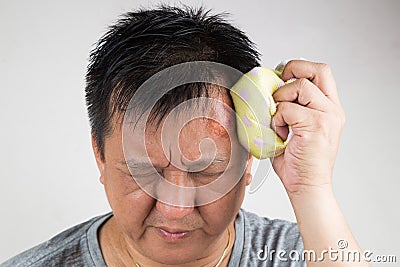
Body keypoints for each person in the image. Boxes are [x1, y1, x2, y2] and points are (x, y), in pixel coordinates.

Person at [1, 5, 370, 267]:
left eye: (206, 172)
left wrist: (311, 188)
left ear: (247, 161)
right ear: (99, 153)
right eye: (144, 172)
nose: (175, 209)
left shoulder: (306, 253)